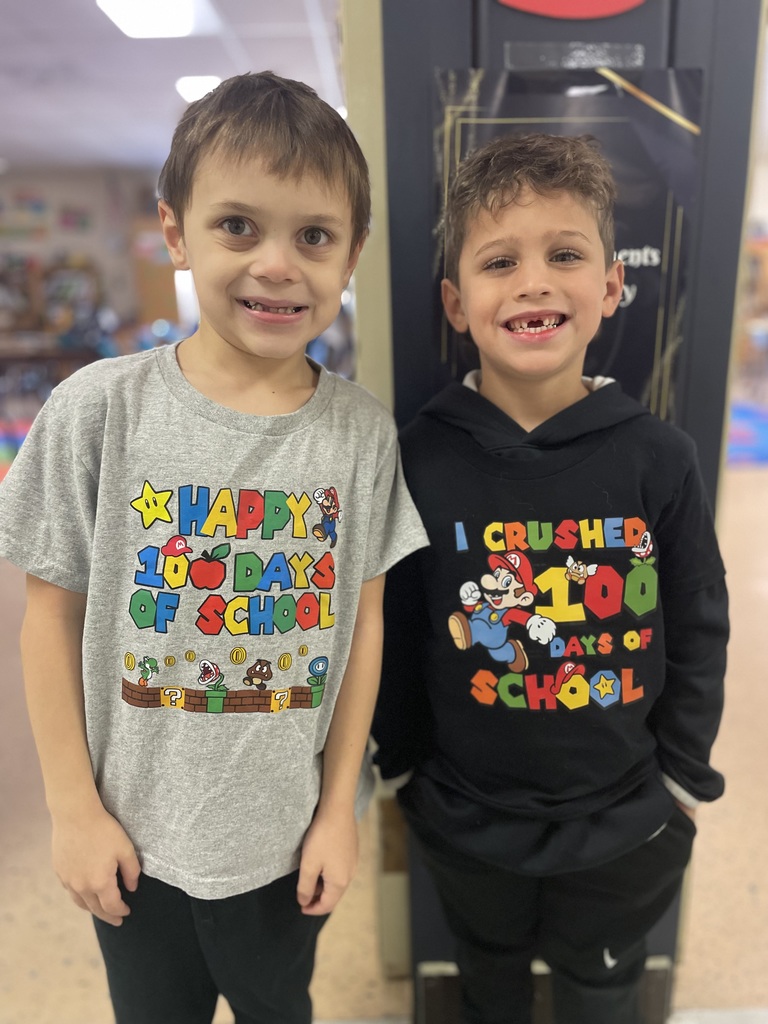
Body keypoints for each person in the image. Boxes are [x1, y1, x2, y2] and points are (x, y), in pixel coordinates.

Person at [0, 71, 427, 1024]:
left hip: (285, 843)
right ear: (175, 229)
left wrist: (338, 816)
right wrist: (71, 810)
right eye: (239, 225)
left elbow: (364, 627)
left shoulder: (361, 435)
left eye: (313, 235)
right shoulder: (95, 412)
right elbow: (48, 620)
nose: (277, 263)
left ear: (351, 252)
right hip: (131, 841)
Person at [372, 133, 727, 1024]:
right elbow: (400, 628)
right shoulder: (415, 458)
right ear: (457, 303)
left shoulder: (660, 459)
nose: (533, 281)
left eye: (564, 254)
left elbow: (697, 625)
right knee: (486, 979)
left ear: (611, 286)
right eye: (500, 261)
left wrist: (681, 779)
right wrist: (401, 768)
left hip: (626, 821)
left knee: (602, 992)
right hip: (463, 816)